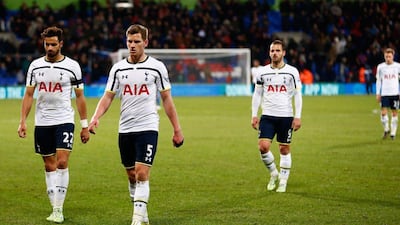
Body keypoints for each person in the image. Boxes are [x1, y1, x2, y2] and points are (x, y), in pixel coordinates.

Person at [88, 24, 184, 225]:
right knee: (132, 175)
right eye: (129, 41)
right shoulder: (118, 69)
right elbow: (108, 97)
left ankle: (136, 220)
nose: (132, 45)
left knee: (142, 172)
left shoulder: (157, 67)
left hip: (148, 126)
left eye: (137, 41)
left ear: (146, 43)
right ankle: (142, 213)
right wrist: (96, 117)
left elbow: (166, 99)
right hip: (125, 128)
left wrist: (177, 129)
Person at [17, 26, 90, 223]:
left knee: (62, 162)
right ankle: (54, 205)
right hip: (42, 122)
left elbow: (80, 97)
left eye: (53, 44)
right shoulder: (35, 66)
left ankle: (58, 209)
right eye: (46, 44)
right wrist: (23, 121)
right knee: (49, 165)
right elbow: (29, 95)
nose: (49, 48)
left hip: (64, 120)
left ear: (61, 44)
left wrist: (84, 125)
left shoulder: (72, 66)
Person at [251, 39, 303, 193]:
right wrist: (254, 114)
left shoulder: (292, 71)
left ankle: (283, 181)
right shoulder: (262, 71)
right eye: (272, 50)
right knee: (263, 147)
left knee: (284, 149)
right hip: (267, 115)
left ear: (284, 53)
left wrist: (298, 116)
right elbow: (257, 93)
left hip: (286, 116)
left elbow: (298, 95)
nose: (275, 53)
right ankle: (274, 174)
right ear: (269, 53)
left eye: (278, 50)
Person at [375, 48, 400, 140]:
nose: (388, 58)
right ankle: (386, 129)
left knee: (394, 113)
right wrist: (378, 93)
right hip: (384, 93)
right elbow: (378, 81)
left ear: (393, 56)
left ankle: (393, 133)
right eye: (386, 56)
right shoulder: (380, 67)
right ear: (384, 56)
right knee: (383, 113)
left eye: (389, 56)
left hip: (395, 93)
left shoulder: (398, 66)